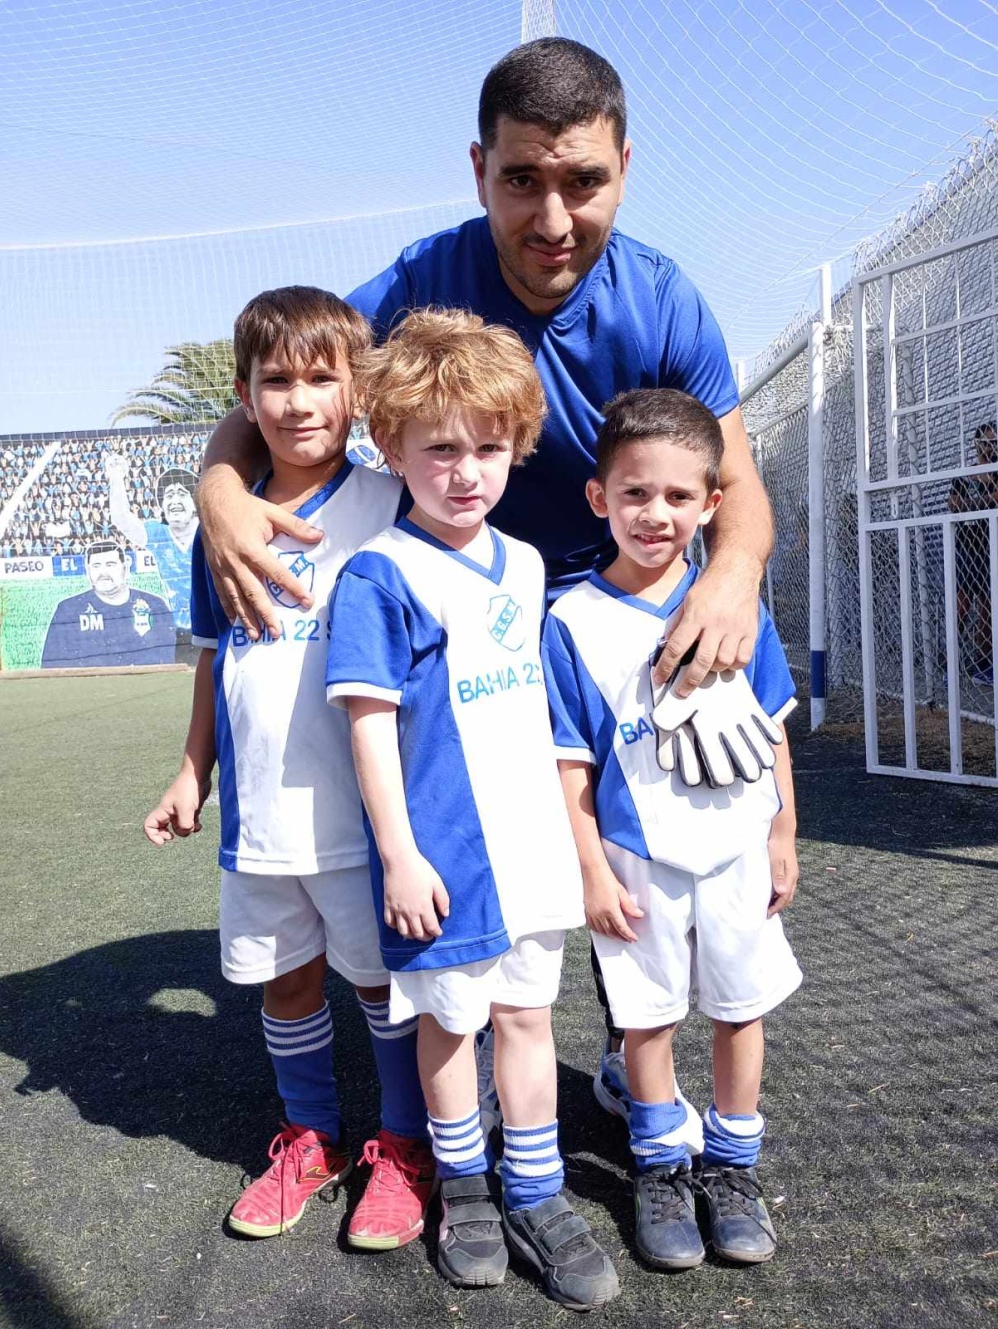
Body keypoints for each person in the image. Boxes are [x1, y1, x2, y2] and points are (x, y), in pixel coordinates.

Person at [196, 35, 775, 1118]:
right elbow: (289, 382)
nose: (551, 219)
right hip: (465, 589)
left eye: (583, 182)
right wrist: (218, 490)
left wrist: (732, 570)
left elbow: (736, 486)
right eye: (522, 180)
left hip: (614, 604)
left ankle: (628, 1067)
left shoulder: (664, 301)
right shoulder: (421, 279)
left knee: (632, 840)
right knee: (453, 820)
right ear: (478, 170)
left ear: (625, 169)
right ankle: (441, 1067)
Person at [326, 309, 619, 1310]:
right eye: (440, 448)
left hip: (528, 847)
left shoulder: (528, 565)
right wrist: (399, 855)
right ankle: (466, 1193)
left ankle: (534, 1190)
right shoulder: (380, 574)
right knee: (449, 1030)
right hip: (441, 855)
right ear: (390, 447)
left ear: (517, 447)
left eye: (487, 448)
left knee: (528, 1015)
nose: (465, 471)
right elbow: (367, 726)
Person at [143, 287, 436, 1251]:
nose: (301, 400)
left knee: (382, 984)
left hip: (363, 816)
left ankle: (403, 1145)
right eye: (277, 380)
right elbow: (214, 657)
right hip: (260, 818)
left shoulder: (391, 502)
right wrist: (195, 770)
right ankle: (312, 1136)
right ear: (242, 392)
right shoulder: (220, 527)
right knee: (287, 980)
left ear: (358, 390)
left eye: (324, 377)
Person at [543, 389, 801, 1270]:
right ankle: (659, 1162)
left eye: (679, 497)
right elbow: (568, 762)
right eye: (635, 494)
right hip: (636, 857)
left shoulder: (736, 607)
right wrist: (589, 869)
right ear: (598, 497)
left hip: (735, 848)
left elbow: (771, 732)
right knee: (647, 1019)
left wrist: (782, 837)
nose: (656, 515)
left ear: (712, 504)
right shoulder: (570, 622)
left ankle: (732, 1166)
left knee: (740, 1008)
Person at [40, 540, 175, 668]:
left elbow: (170, 659)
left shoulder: (155, 605)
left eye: (110, 564)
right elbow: (51, 666)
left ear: (125, 568)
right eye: (96, 566)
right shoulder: (69, 610)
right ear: (88, 570)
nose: (103, 572)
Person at [107, 454, 199, 632]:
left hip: (213, 624)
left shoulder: (209, 532)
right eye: (168, 496)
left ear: (195, 502)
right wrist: (116, 477)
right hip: (178, 627)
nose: (174, 501)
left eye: (182, 493)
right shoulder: (158, 533)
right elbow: (122, 519)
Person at [948, 421, 996, 685]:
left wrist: (974, 503)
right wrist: (981, 501)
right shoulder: (965, 474)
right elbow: (953, 505)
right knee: (962, 607)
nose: (991, 448)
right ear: (977, 444)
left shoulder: (996, 472)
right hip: (967, 548)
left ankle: (983, 665)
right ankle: (950, 665)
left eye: (995, 443)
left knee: (986, 611)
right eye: (987, 442)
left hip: (990, 547)